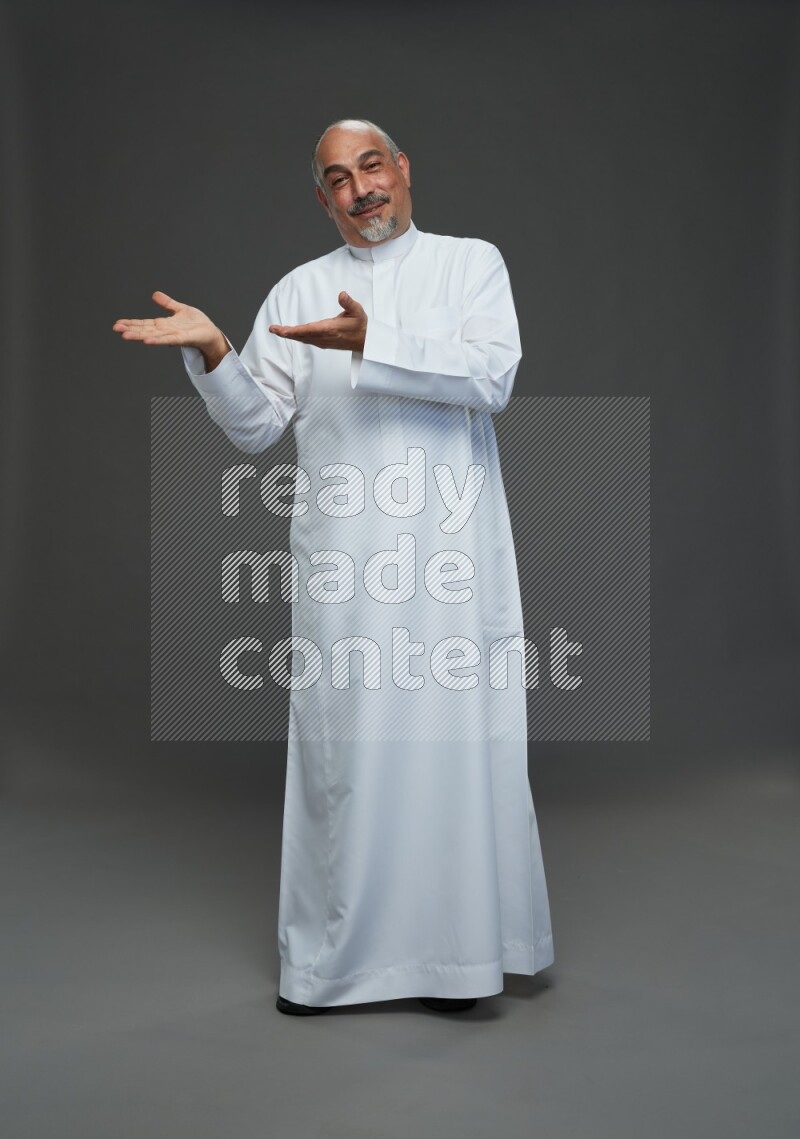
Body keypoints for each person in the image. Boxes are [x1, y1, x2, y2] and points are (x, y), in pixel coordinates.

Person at [113, 118, 554, 1016]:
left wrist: (373, 343)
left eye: (372, 166)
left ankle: (458, 960)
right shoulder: (300, 288)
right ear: (323, 199)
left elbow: (491, 377)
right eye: (338, 179)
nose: (361, 189)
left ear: (401, 169)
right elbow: (254, 427)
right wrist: (215, 353)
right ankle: (331, 965)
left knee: (449, 756)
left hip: (448, 565)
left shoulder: (472, 264)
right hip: (347, 574)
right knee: (343, 760)